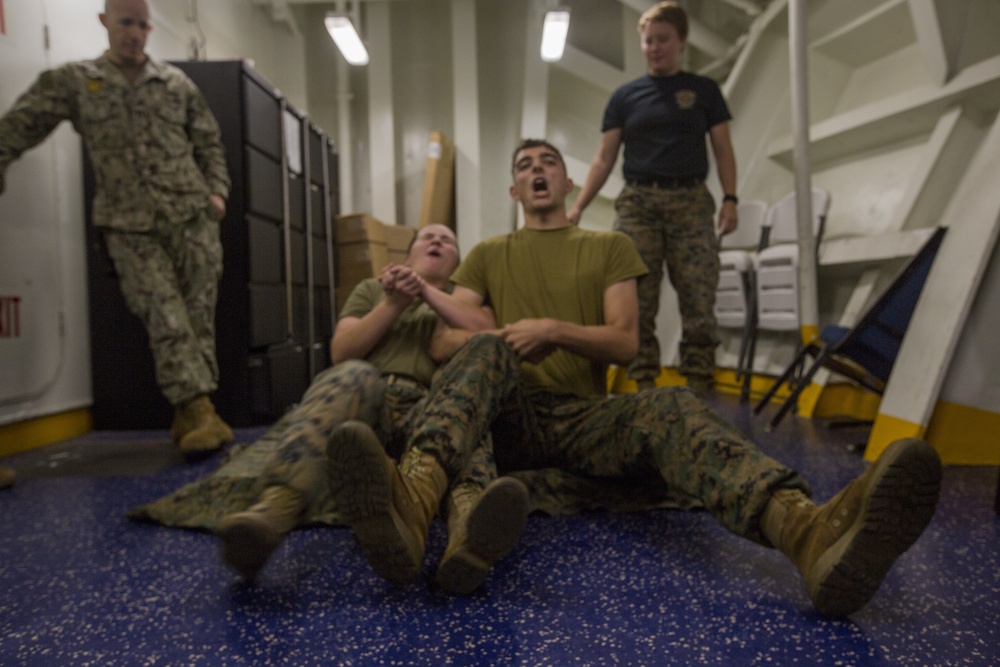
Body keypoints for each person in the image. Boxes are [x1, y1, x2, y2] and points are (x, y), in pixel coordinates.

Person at [327, 138, 943, 617]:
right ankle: (412, 499)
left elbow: (625, 342)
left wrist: (554, 329)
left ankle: (807, 532)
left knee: (669, 407)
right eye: (524, 166)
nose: (537, 171)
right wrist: (505, 336)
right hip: (507, 410)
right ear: (514, 188)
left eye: (548, 163)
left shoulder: (610, 247)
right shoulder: (489, 252)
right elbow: (445, 337)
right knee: (486, 354)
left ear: (570, 182)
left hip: (579, 418)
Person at [218, 224, 529, 593]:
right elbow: (342, 351)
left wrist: (425, 292)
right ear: (408, 255)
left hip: (434, 414)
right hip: (371, 406)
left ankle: (468, 535)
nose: (437, 242)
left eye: (448, 241)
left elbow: (482, 333)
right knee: (351, 374)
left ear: (457, 264)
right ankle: (274, 513)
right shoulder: (371, 290)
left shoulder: (467, 302)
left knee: (467, 415)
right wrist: (395, 302)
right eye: (428, 237)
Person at [0, 0, 233, 454]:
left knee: (196, 321)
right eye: (126, 23)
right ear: (105, 22)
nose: (135, 33)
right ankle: (201, 409)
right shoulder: (79, 81)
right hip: (127, 224)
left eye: (143, 25)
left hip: (191, 219)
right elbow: (23, 121)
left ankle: (189, 415)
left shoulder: (175, 84)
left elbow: (209, 141)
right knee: (164, 315)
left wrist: (217, 193)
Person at [567, 1, 738, 395]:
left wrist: (730, 198)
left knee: (699, 295)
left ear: (681, 41)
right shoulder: (625, 97)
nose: (655, 47)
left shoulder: (703, 91)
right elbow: (604, 157)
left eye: (663, 39)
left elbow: (724, 149)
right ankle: (644, 386)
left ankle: (698, 388)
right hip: (639, 204)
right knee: (635, 299)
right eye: (648, 41)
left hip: (691, 202)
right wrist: (578, 206)